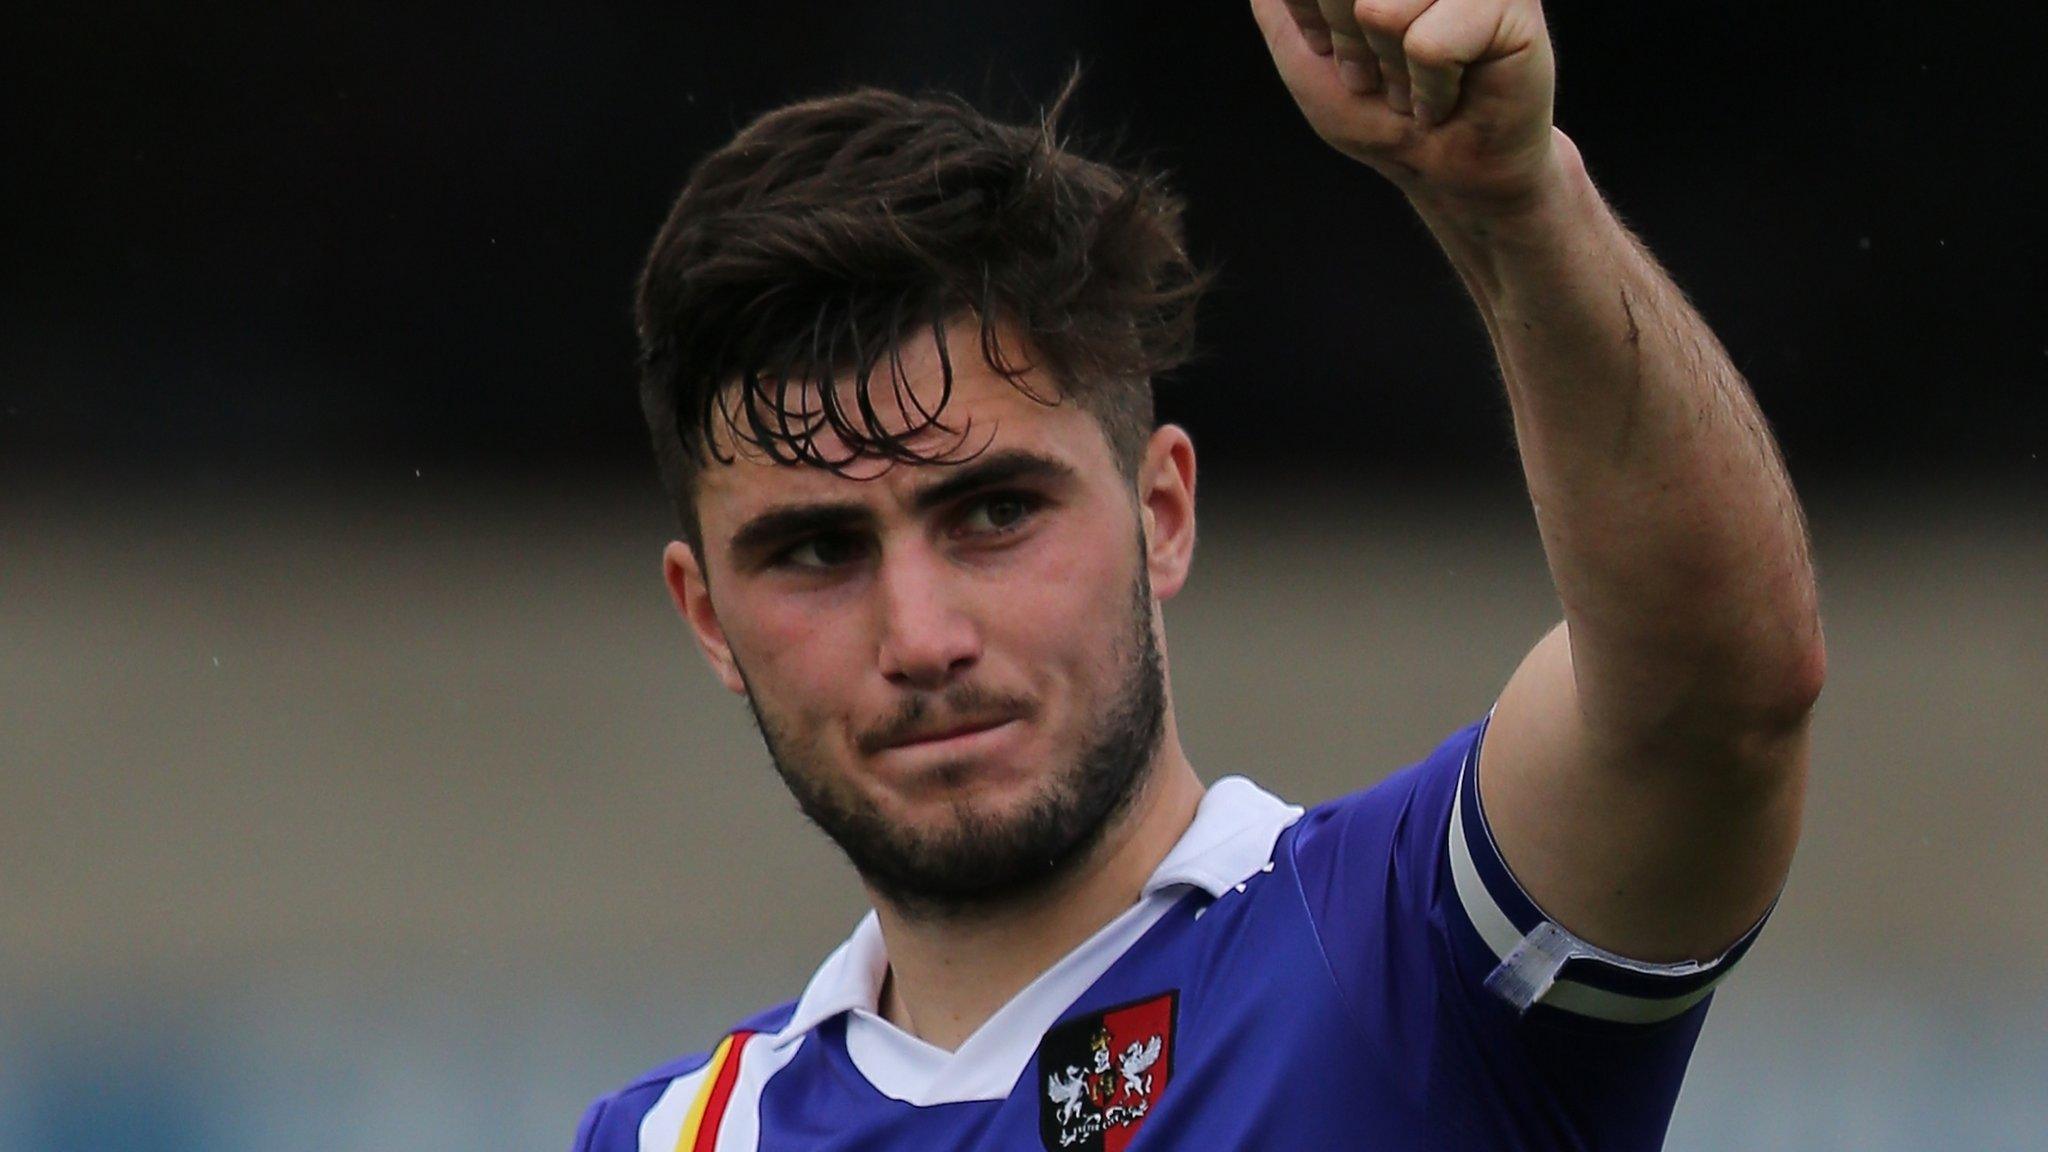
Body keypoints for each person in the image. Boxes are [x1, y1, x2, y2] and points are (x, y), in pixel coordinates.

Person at [575, 0, 1825, 1146]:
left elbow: (1709, 702)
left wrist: (1515, 208)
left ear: (1160, 511)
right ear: (707, 619)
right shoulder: (674, 1138)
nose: (920, 633)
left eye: (994, 512)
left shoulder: (1398, 950)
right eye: (815, 550)